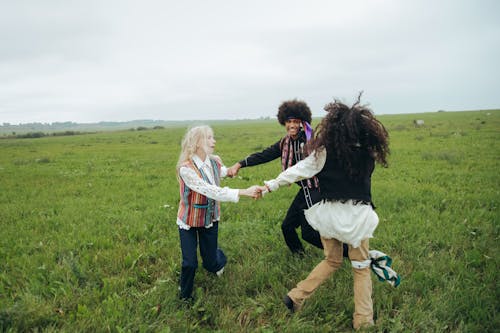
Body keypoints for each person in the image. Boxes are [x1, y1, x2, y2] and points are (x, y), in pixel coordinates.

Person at [259, 96, 390, 330]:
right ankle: (364, 320)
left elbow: (297, 170)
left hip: (329, 217)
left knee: (331, 260)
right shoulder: (369, 153)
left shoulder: (323, 152)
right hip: (357, 219)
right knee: (361, 268)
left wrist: (270, 185)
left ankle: (296, 296)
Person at [226, 99, 324, 255]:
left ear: (301, 123)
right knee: (287, 226)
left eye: (295, 121)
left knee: (309, 233)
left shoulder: (310, 141)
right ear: (283, 122)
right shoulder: (285, 142)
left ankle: (346, 252)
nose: (291, 125)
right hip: (304, 190)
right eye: (288, 121)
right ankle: (300, 257)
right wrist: (239, 164)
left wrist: (271, 185)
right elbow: (264, 155)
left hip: (317, 189)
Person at [176, 125, 261, 301]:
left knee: (211, 263)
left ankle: (217, 259)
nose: (213, 141)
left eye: (213, 137)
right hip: (188, 221)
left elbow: (222, 172)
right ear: (197, 142)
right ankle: (184, 296)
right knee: (190, 263)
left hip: (210, 219)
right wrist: (244, 191)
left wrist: (234, 169)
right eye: (209, 138)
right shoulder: (186, 169)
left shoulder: (214, 162)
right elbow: (210, 190)